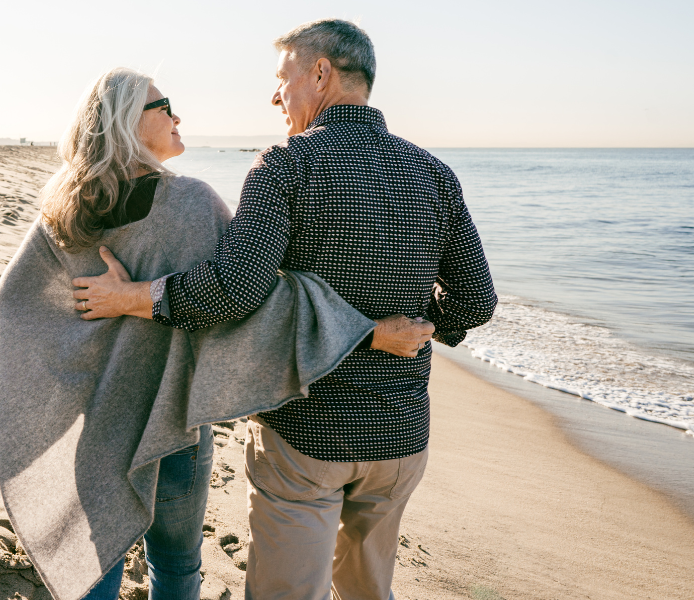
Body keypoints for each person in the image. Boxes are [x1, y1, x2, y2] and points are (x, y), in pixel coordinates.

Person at [71, 20, 497, 600]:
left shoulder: (288, 165)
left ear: (320, 74)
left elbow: (234, 291)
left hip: (307, 434)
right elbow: (477, 300)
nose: (276, 95)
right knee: (370, 591)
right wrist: (425, 328)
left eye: (283, 77)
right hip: (401, 436)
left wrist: (135, 298)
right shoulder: (433, 174)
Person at [0, 66, 436, 600]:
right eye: (164, 106)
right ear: (127, 122)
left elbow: (15, 305)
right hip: (173, 417)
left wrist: (81, 357)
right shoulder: (191, 204)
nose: (177, 115)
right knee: (176, 565)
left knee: (95, 560)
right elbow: (256, 301)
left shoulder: (64, 209)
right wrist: (370, 333)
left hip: (98, 419)